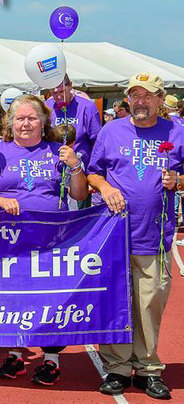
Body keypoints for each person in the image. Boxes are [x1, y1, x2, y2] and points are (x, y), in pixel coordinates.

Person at [0, 94, 88, 385]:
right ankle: (15, 354)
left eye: (32, 118)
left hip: (53, 240)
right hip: (11, 242)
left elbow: (80, 194)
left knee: (51, 300)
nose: (25, 123)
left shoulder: (57, 151)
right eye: (19, 118)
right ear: (11, 123)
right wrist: (0, 200)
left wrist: (74, 166)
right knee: (14, 299)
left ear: (44, 121)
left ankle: (51, 360)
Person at [89, 73, 184, 400]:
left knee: (149, 304)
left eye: (149, 96)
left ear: (161, 99)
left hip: (155, 237)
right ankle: (116, 367)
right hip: (113, 237)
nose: (141, 102)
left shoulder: (177, 133)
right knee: (116, 303)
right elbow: (93, 172)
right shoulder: (111, 131)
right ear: (128, 99)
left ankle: (147, 369)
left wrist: (179, 181)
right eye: (135, 96)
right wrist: (105, 186)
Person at [46, 74, 101, 168]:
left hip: (80, 166)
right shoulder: (47, 106)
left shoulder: (87, 107)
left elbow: (97, 141)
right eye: (55, 93)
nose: (59, 97)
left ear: (70, 85)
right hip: (54, 166)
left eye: (62, 91)